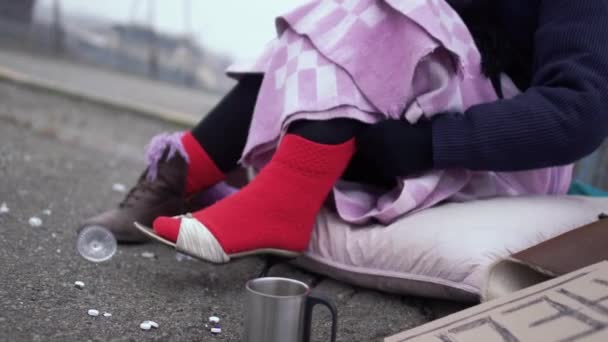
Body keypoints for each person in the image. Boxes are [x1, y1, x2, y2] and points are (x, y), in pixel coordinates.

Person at [81, 0, 608, 263]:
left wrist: (429, 144)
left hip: (499, 161)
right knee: (345, 23)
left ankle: (273, 201)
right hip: (416, 137)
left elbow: (578, 113)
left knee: (384, 15)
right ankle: (178, 179)